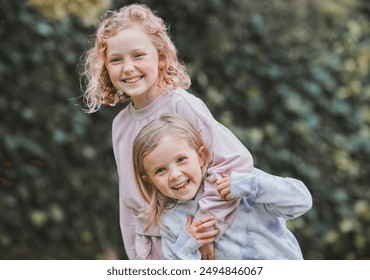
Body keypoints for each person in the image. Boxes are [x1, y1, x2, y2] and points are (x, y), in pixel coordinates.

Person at [81, 4, 254, 259]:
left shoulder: (181, 104)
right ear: (105, 67)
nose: (128, 68)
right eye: (116, 60)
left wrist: (207, 228)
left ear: (161, 57)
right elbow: (130, 203)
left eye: (138, 55)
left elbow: (234, 163)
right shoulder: (120, 126)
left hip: (211, 247)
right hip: (162, 254)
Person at [133, 113, 312, 260]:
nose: (174, 175)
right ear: (149, 180)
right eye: (160, 170)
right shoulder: (170, 220)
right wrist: (189, 243)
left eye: (181, 160)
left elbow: (301, 201)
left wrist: (250, 185)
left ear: (201, 156)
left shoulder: (238, 181)